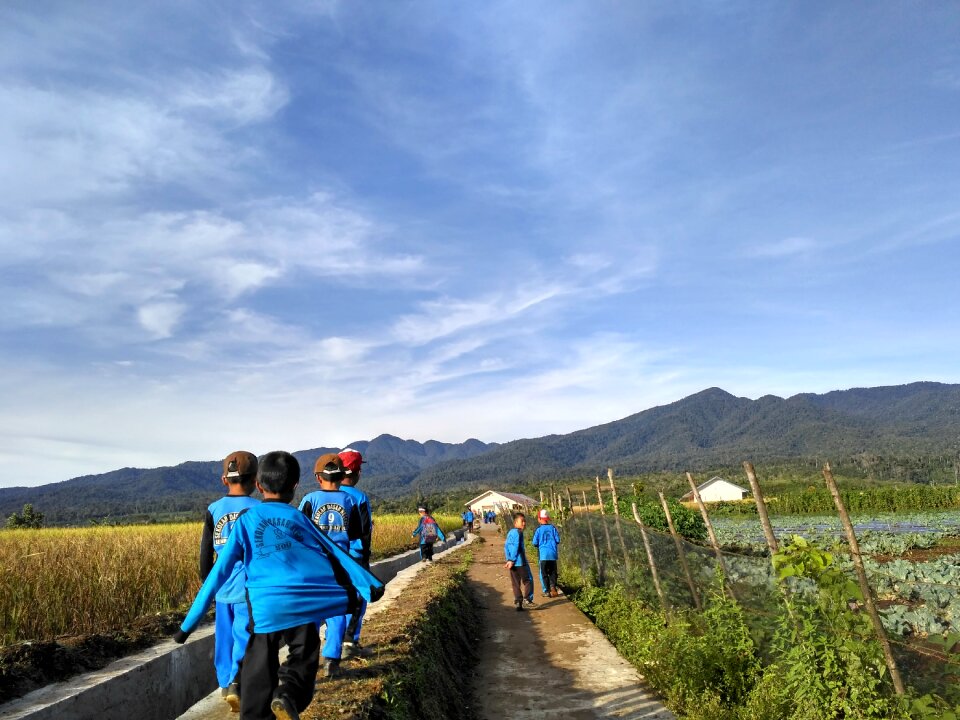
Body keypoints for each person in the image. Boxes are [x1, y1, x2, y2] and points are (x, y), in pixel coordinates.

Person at [174, 451, 383, 720]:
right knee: (304, 653)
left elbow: (217, 572)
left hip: (263, 609)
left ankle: (253, 711)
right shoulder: (300, 518)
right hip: (300, 604)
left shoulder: (246, 520)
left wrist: (186, 626)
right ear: (295, 487)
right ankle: (287, 694)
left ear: (260, 486)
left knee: (257, 660)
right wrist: (369, 585)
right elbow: (335, 552)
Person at [198, 450, 261, 712]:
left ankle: (225, 683)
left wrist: (208, 585)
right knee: (244, 635)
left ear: (225, 479)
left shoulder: (214, 509)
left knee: (223, 637)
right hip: (250, 588)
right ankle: (237, 680)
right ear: (256, 481)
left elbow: (205, 554)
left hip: (222, 588)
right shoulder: (260, 509)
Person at [298, 453, 363, 679]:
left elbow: (299, 532)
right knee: (337, 611)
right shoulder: (350, 501)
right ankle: (332, 661)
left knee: (313, 610)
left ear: (318, 477)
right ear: (342, 475)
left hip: (313, 564)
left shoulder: (309, 499)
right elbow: (356, 534)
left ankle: (309, 658)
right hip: (340, 564)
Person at [337, 448, 372, 657]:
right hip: (356, 557)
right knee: (359, 597)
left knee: (338, 597)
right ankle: (350, 639)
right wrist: (366, 555)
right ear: (357, 471)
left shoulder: (326, 496)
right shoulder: (359, 497)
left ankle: (335, 639)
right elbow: (365, 531)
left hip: (333, 557)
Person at [503, 511, 534, 611]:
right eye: (522, 521)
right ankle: (528, 599)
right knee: (528, 580)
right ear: (516, 523)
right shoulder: (519, 533)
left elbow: (506, 546)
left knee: (515, 583)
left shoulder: (510, 533)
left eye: (524, 521)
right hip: (520, 561)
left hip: (512, 563)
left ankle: (518, 602)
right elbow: (516, 546)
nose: (524, 523)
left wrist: (508, 559)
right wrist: (512, 559)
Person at [531, 508, 562, 598]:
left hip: (543, 555)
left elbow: (534, 543)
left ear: (540, 519)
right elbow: (557, 540)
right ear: (547, 519)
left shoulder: (538, 530)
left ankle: (547, 591)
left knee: (544, 573)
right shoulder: (552, 528)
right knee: (552, 572)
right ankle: (553, 587)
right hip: (552, 555)